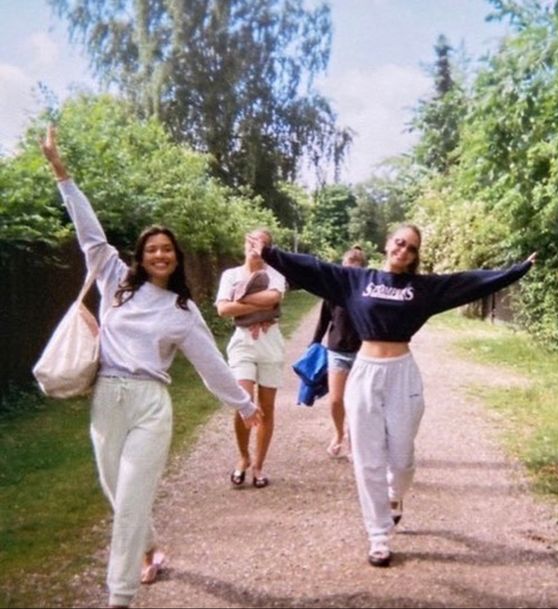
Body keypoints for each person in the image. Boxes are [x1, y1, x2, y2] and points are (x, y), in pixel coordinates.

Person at [40, 125, 262, 609]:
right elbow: (90, 234)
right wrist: (62, 174)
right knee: (116, 491)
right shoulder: (115, 280)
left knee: (132, 500)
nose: (160, 254)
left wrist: (244, 404)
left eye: (168, 249)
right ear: (141, 256)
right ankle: (149, 547)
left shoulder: (182, 310)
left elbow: (209, 364)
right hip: (107, 398)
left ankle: (119, 596)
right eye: (152, 249)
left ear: (176, 257)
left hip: (150, 406)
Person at [248, 225, 536, 568]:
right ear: (387, 244)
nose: (403, 250)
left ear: (415, 256)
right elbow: (313, 268)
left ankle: (395, 496)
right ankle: (379, 536)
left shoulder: (423, 289)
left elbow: (469, 282)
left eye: (411, 248)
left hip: (402, 374)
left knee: (402, 460)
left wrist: (516, 270)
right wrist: (269, 252)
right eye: (399, 243)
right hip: (365, 371)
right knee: (367, 459)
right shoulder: (356, 280)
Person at [216, 229, 286, 489]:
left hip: (271, 343)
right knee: (243, 402)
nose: (255, 247)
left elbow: (274, 298)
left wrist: (240, 299)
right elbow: (223, 309)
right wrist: (263, 307)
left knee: (267, 408)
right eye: (251, 241)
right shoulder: (231, 275)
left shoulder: (275, 274)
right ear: (244, 243)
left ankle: (258, 464)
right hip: (243, 342)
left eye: (262, 243)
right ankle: (243, 456)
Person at [310, 245, 366, 460]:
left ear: (361, 270)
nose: (349, 273)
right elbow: (324, 318)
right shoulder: (332, 292)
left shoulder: (367, 292)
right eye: (346, 269)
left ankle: (354, 440)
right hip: (337, 350)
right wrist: (314, 342)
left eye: (355, 269)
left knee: (357, 401)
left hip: (363, 353)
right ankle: (338, 433)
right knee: (335, 400)